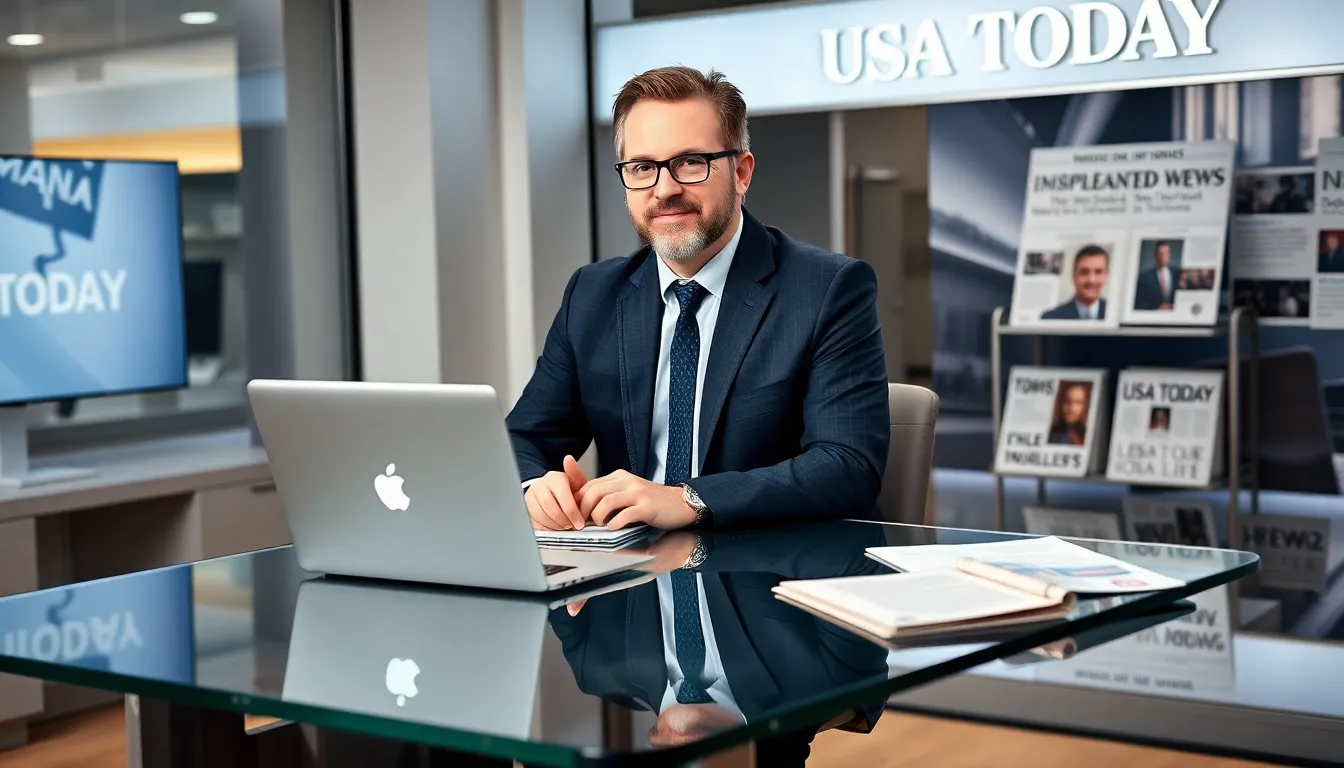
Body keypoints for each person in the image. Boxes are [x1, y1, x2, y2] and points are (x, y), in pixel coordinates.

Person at [506, 66, 889, 532]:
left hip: (768, 579)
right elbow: (521, 437)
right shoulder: (593, 294)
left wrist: (687, 499)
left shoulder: (828, 289)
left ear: (742, 172)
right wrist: (534, 487)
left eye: (690, 162)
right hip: (630, 578)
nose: (665, 189)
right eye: (643, 168)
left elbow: (847, 465)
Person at [547, 521, 891, 767]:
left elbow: (544, 561)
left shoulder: (595, 668)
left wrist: (544, 498)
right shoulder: (821, 683)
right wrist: (695, 537)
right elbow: (860, 554)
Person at [1041, 245, 1109, 320]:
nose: (1091, 280)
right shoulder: (1051, 318)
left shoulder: (1114, 315)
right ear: (1074, 276)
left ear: (1106, 275)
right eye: (1084, 272)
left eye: (1098, 272)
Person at [1133, 240, 1175, 311]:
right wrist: (1156, 309)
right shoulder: (1144, 277)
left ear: (1169, 255)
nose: (1163, 257)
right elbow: (1139, 303)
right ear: (1155, 255)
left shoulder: (1177, 273)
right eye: (1160, 253)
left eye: (1166, 253)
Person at [1047, 382, 1090, 446]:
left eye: (1078, 403)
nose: (1072, 408)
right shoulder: (1051, 433)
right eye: (1067, 401)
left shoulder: (1087, 434)